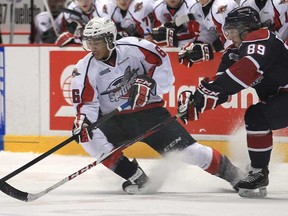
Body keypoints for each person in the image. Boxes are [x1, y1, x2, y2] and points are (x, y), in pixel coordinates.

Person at [70, 16, 244, 194]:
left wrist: (152, 85)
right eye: (89, 42)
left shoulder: (136, 47)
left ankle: (236, 176)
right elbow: (87, 105)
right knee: (87, 135)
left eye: (97, 42)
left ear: (109, 39)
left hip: (150, 115)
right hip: (116, 121)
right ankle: (136, 176)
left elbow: (164, 69)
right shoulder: (84, 69)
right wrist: (84, 122)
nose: (92, 47)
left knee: (191, 152)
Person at [177, 6, 288, 198]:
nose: (229, 36)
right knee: (256, 117)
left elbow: (245, 72)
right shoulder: (233, 52)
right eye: (226, 31)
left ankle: (259, 171)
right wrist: (198, 101)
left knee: (257, 116)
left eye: (232, 31)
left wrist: (210, 92)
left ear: (246, 28)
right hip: (280, 98)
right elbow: (222, 87)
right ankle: (258, 171)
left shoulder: (261, 37)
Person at [177, 0, 239, 67]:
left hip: (241, 52)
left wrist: (212, 47)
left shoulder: (223, 5)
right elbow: (212, 32)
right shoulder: (197, 8)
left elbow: (234, 37)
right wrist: (198, 46)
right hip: (232, 53)